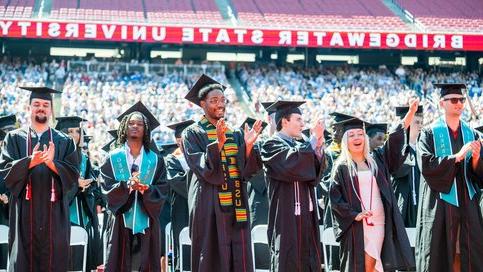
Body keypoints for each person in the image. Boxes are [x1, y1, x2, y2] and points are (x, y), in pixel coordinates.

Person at [182, 74, 263, 272]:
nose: (220, 104)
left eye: (223, 100)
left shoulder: (234, 132)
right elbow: (201, 167)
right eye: (214, 100)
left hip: (236, 203)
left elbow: (245, 170)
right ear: (203, 104)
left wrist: (249, 146)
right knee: (211, 254)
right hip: (209, 203)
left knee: (238, 253)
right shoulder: (192, 133)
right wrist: (217, 144)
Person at [329, 99, 418, 272]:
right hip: (358, 224)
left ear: (365, 137)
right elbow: (335, 198)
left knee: (378, 266)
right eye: (352, 135)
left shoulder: (376, 159)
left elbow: (393, 140)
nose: (357, 138)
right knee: (365, 266)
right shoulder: (341, 167)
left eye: (360, 134)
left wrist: (409, 116)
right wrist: (353, 215)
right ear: (346, 141)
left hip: (379, 220)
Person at [0, 86, 79, 272]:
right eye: (36, 104)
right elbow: (4, 173)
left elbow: (73, 175)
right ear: (29, 108)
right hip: (23, 212)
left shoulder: (64, 141)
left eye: (45, 104)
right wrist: (29, 162)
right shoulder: (13, 138)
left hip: (55, 213)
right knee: (23, 261)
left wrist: (52, 164)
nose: (41, 108)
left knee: (54, 261)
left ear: (51, 109)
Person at [416, 83, 483, 272]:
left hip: (467, 205)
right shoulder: (429, 133)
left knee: (467, 254)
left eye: (461, 100)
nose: (459, 103)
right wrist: (457, 157)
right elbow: (426, 165)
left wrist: (477, 159)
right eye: (453, 100)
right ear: (441, 103)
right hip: (441, 205)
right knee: (442, 254)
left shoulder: (472, 134)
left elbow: (477, 176)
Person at [100, 101, 168, 271]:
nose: (135, 126)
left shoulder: (155, 160)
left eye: (139, 124)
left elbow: (163, 188)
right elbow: (105, 186)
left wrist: (147, 189)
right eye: (131, 123)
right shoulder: (113, 157)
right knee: (119, 262)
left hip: (147, 220)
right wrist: (127, 187)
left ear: (146, 129)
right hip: (120, 221)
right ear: (124, 127)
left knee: (145, 263)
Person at [261, 100, 326, 272]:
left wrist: (318, 148)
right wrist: (312, 141)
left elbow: (314, 176)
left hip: (306, 214)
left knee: (309, 257)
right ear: (284, 121)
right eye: (298, 119)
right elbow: (292, 164)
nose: (302, 124)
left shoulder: (301, 145)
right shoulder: (271, 145)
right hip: (285, 215)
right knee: (287, 258)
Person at [55, 116, 102, 271]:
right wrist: (76, 184)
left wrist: (88, 186)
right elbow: (54, 186)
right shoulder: (55, 157)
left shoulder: (84, 158)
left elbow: (92, 186)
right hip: (63, 214)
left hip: (83, 212)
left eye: (77, 131)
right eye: (69, 131)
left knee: (83, 257)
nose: (74, 134)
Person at [165, 120, 194, 271]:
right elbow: (177, 182)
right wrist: (199, 181)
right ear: (178, 140)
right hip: (182, 208)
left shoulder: (200, 156)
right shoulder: (172, 159)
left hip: (202, 209)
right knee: (183, 248)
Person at [391, 106, 423, 227]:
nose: (420, 126)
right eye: (417, 122)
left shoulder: (421, 149)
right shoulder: (396, 150)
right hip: (402, 200)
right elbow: (398, 171)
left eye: (421, 122)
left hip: (420, 201)